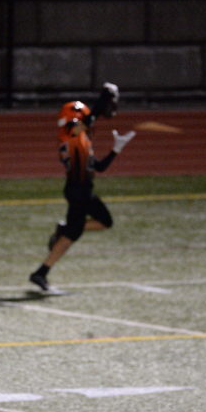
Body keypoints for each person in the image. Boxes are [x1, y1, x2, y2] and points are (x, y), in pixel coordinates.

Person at [29, 83, 135, 292]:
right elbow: (84, 123)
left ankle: (44, 266)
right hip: (78, 191)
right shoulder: (70, 134)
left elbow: (99, 167)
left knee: (100, 223)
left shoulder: (81, 140)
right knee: (75, 234)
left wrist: (116, 149)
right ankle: (41, 272)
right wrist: (101, 101)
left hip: (82, 190)